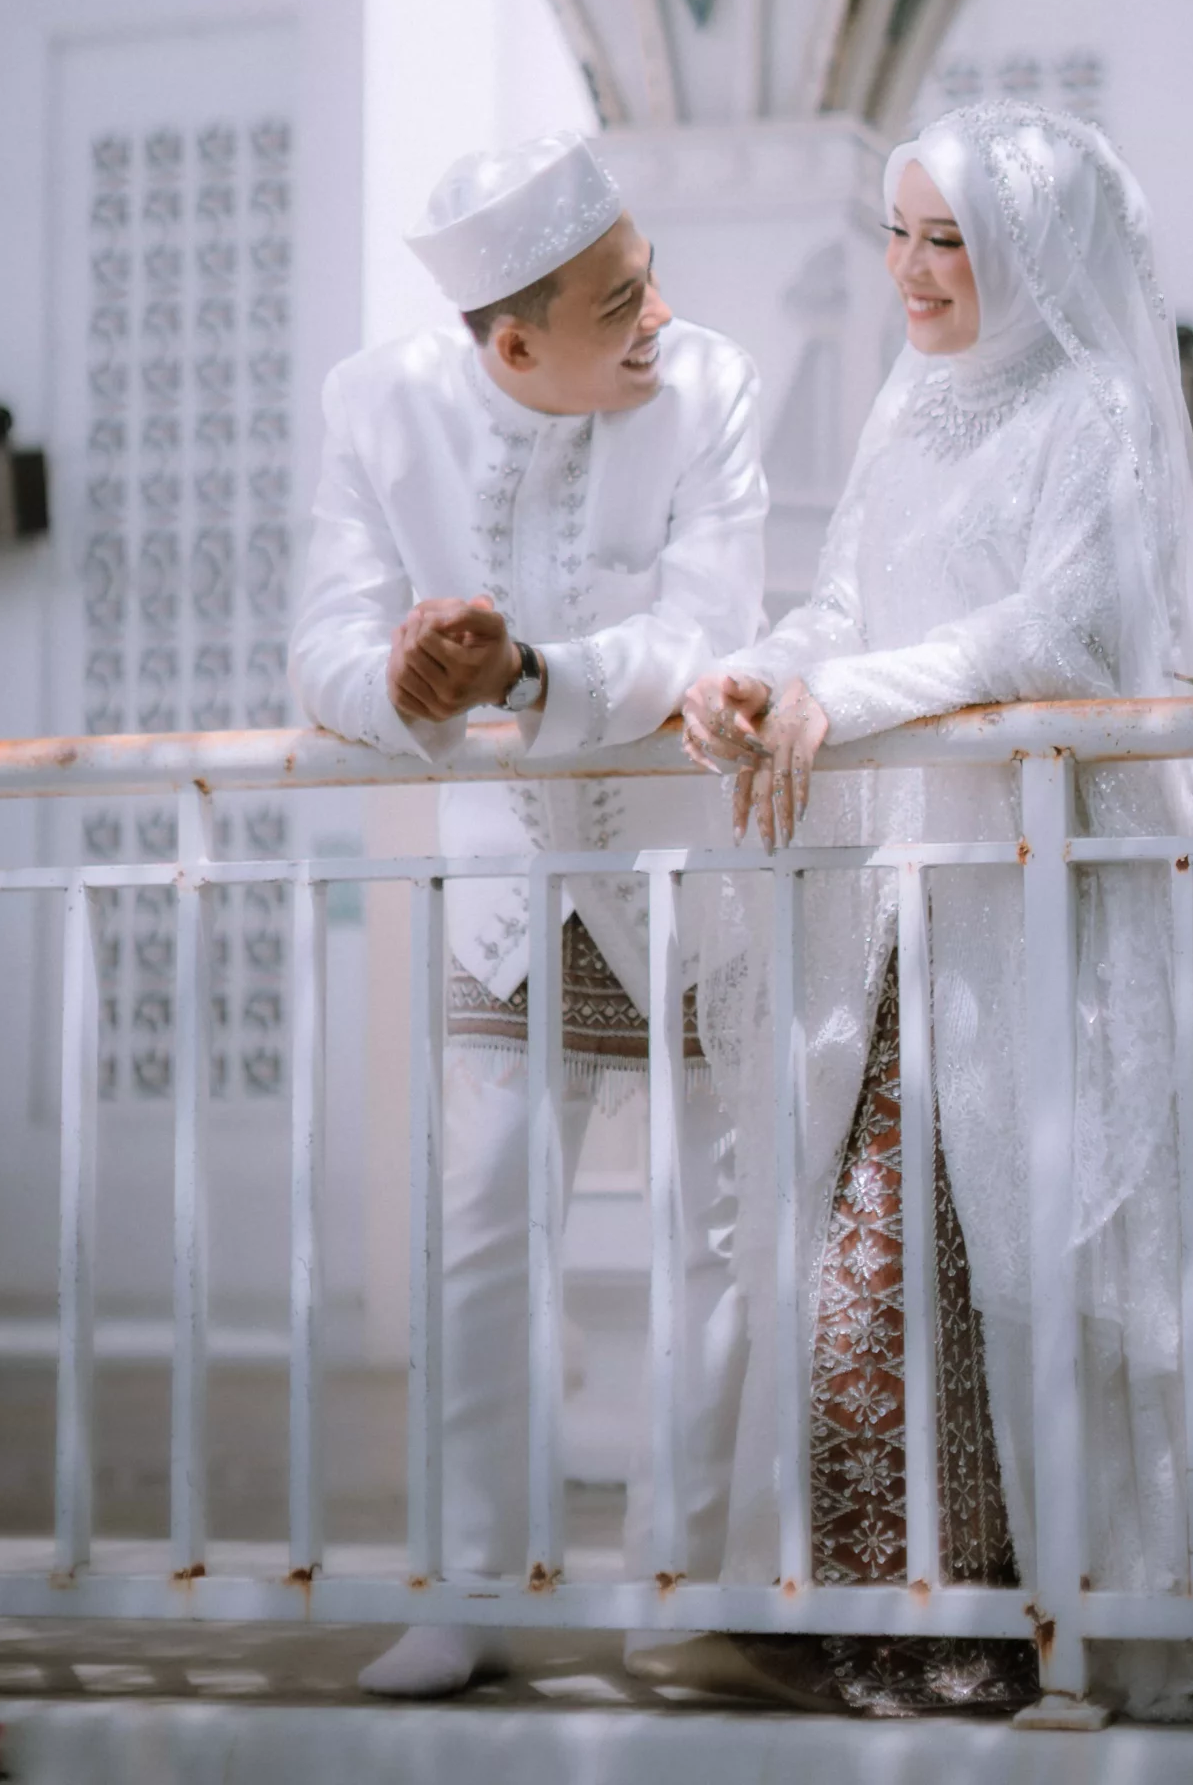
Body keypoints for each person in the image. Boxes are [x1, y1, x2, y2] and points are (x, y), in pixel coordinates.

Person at [683, 102, 1193, 1725]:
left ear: (1033, 250)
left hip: (1064, 907)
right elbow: (848, 597)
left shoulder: (1095, 412)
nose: (910, 271)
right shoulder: (907, 399)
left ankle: (1082, 1615)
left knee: (1071, 1251)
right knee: (874, 1273)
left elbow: (1052, 632)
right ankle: (901, 1619)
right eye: (897, 233)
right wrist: (766, 672)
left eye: (950, 242)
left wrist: (848, 696)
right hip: (914, 902)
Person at [289, 131, 765, 1699]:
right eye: (618, 299)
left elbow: (710, 625)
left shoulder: (712, 385)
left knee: (709, 1236)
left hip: (686, 877)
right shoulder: (379, 408)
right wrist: (403, 682)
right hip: (506, 888)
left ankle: (683, 1593)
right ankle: (466, 1591)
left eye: (649, 276)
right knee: (481, 1233)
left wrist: (536, 673)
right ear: (509, 345)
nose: (658, 314)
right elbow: (323, 648)